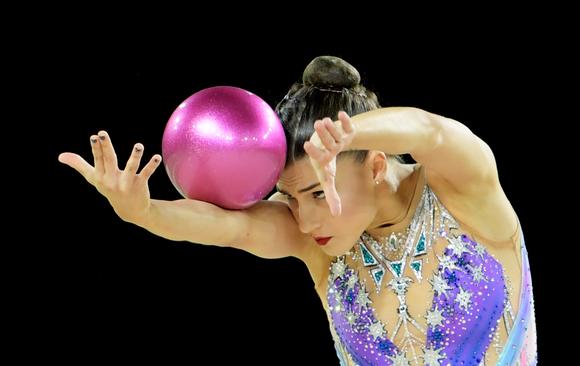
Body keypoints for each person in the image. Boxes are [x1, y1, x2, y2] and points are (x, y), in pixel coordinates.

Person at [58, 56, 537, 365]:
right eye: (288, 198)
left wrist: (348, 134)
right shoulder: (318, 242)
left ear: (374, 166)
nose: (304, 221)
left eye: (315, 192)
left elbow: (430, 132)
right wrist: (141, 211)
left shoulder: (462, 194)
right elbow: (229, 227)